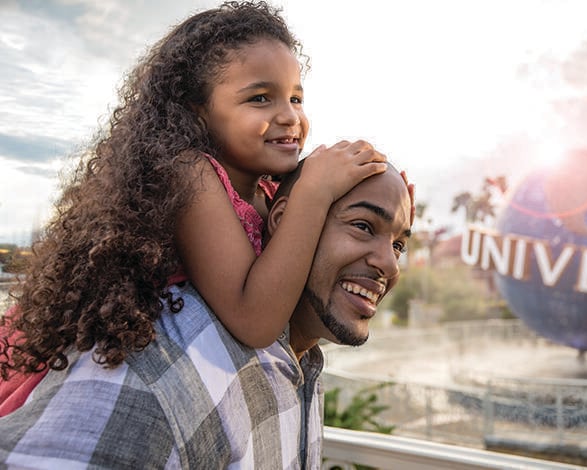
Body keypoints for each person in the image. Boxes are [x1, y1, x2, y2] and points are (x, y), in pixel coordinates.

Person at [0, 1, 389, 412]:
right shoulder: (190, 174)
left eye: (295, 97)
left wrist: (387, 211)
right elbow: (255, 320)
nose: (289, 116)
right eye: (260, 98)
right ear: (196, 111)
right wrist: (313, 192)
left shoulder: (268, 192)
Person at [0, 160, 413, 468]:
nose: (391, 266)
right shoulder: (167, 372)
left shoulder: (301, 366)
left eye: (398, 244)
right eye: (362, 226)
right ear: (288, 219)